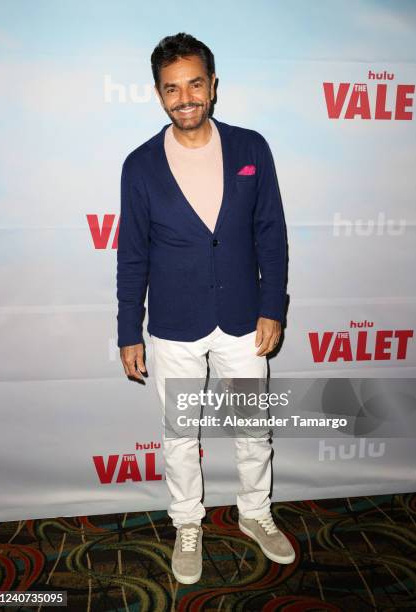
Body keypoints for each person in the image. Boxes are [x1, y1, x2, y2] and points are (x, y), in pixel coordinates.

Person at [116, 32, 295, 584]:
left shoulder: (251, 148)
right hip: (173, 325)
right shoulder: (140, 165)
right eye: (172, 88)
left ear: (213, 86)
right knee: (179, 433)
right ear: (158, 94)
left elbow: (272, 234)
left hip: (244, 318)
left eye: (195, 83)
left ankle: (255, 513)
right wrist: (129, 330)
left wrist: (273, 307)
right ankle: (187, 522)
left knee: (251, 426)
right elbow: (132, 254)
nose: (185, 97)